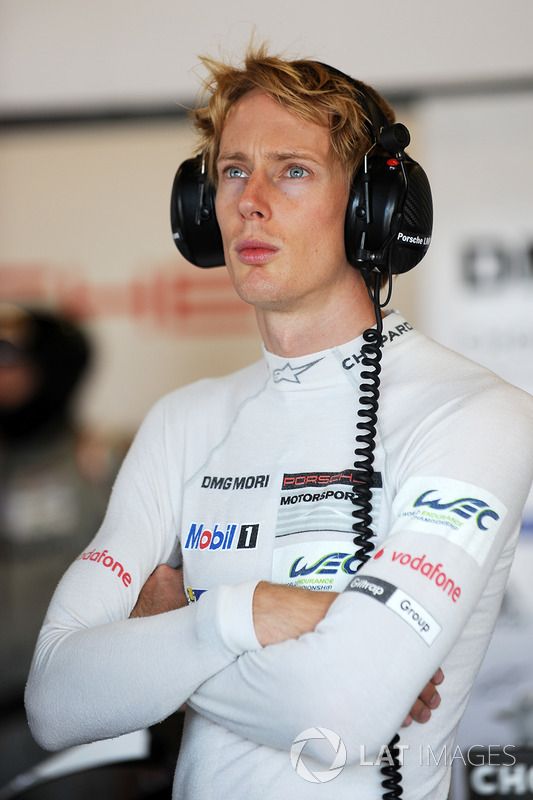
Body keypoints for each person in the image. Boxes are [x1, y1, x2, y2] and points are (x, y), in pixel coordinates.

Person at [25, 47, 533, 800]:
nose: (250, 202)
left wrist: (167, 633)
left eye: (293, 170)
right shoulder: (184, 421)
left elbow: (340, 711)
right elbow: (55, 699)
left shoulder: (477, 413)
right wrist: (253, 611)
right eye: (233, 171)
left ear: (370, 208)